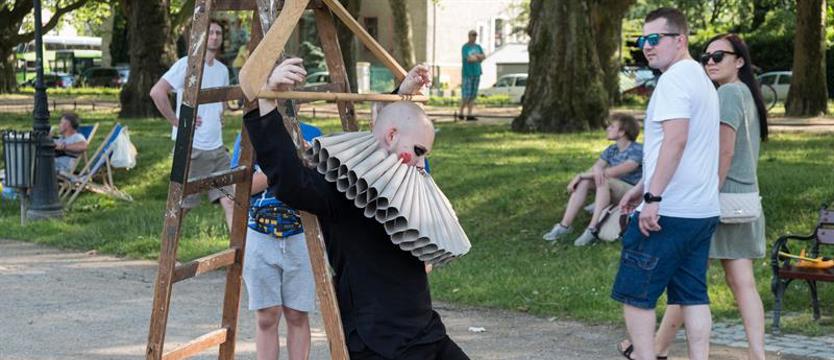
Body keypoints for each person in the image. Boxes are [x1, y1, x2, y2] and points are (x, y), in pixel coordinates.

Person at [242, 58, 469, 359]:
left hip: (425, 331)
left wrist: (400, 93)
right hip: (378, 341)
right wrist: (269, 97)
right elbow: (288, 180)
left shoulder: (405, 178)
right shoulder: (339, 185)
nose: (420, 163)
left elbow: (393, 126)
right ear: (391, 137)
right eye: (417, 152)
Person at [621, 33, 770, 360]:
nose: (710, 62)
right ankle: (757, 354)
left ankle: (654, 347)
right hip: (745, 197)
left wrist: (707, 194)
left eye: (720, 57)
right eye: (707, 57)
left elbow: (725, 149)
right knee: (733, 281)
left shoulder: (729, 93)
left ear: (740, 61)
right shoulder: (745, 93)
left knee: (688, 282)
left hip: (721, 195)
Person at [611, 8, 720, 360]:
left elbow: (676, 141)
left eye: (655, 39)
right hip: (701, 211)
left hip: (669, 211)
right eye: (643, 39)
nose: (647, 46)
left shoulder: (674, 80)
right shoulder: (703, 80)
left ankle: (644, 356)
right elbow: (676, 150)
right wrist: (642, 185)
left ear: (680, 40)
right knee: (692, 295)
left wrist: (653, 198)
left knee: (635, 293)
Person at [232, 122, 321, 360]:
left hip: (302, 235)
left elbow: (322, 184)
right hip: (260, 236)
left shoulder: (312, 134)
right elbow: (240, 188)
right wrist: (283, 167)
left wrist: (305, 162)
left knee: (297, 314)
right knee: (266, 315)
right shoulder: (249, 137)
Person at [149, 19, 234, 230]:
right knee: (183, 206)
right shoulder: (187, 64)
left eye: (218, 33)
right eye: (210, 32)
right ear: (202, 36)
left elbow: (222, 101)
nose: (214, 36)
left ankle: (241, 261)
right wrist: (177, 122)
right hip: (192, 150)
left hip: (218, 151)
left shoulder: (223, 69)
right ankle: (168, 256)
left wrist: (222, 113)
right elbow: (157, 92)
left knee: (230, 200)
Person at [543, 113, 643, 246]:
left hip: (634, 193)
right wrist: (584, 176)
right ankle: (564, 226)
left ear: (622, 132)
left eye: (612, 126)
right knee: (586, 181)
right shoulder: (612, 150)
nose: (607, 129)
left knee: (602, 179)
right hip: (615, 190)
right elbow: (596, 168)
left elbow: (612, 172)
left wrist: (581, 175)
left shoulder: (637, 149)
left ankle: (593, 228)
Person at [457, 30, 485, 121]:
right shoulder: (465, 47)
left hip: (477, 73)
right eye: (473, 35)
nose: (474, 37)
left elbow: (483, 56)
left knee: (473, 95)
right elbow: (469, 59)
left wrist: (476, 57)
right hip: (467, 74)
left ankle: (469, 114)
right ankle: (461, 112)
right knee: (466, 95)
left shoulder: (478, 47)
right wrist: (478, 57)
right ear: (469, 36)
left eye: (475, 36)